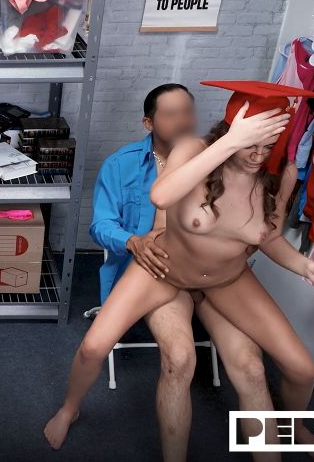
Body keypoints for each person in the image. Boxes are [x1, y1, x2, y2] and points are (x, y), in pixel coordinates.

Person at [46, 81, 314, 460]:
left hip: (227, 279)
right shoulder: (194, 150)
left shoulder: (277, 175)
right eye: (250, 143)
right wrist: (230, 143)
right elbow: (161, 195)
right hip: (166, 270)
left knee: (302, 368)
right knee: (94, 347)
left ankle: (297, 424)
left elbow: (269, 237)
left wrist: (310, 269)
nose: (257, 156)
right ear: (230, 131)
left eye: (267, 146)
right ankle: (70, 408)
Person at [89, 84, 278, 462]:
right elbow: (101, 225)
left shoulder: (221, 156)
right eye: (170, 114)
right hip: (159, 272)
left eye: (188, 111)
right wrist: (132, 242)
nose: (183, 121)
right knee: (179, 358)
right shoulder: (120, 165)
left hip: (214, 277)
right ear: (148, 122)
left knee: (253, 368)